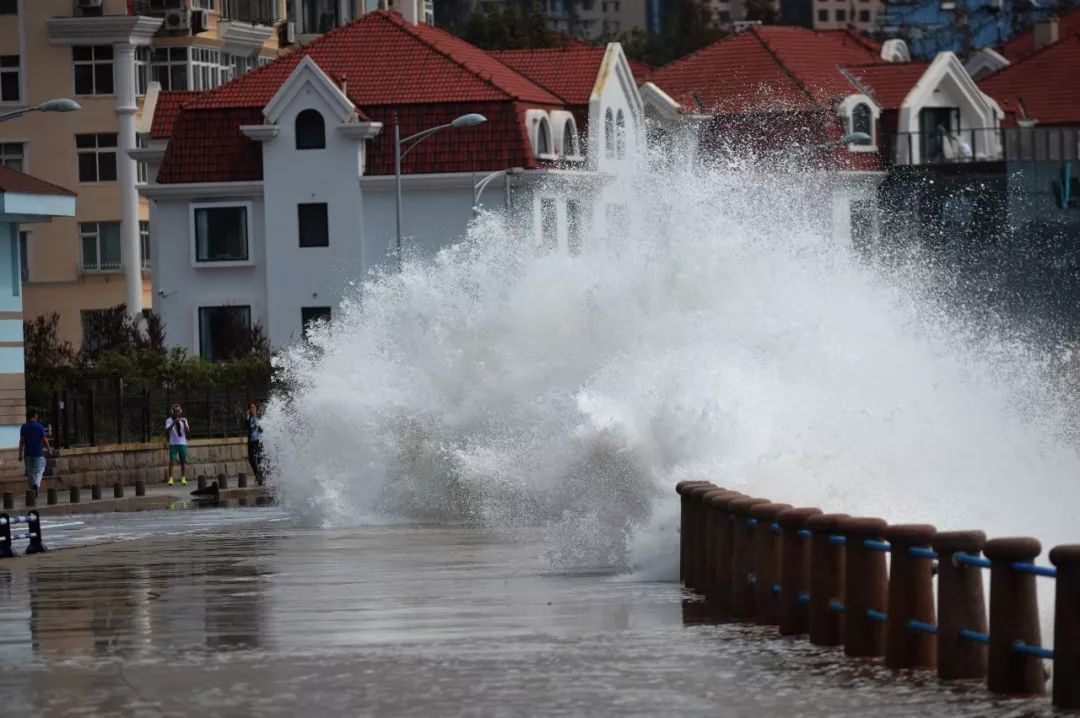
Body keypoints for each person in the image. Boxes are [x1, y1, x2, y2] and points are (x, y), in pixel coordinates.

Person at [19, 410, 51, 497]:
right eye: (36, 415)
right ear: (35, 416)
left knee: (30, 472)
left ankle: (32, 489)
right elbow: (45, 440)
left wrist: (20, 454)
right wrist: (49, 450)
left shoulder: (24, 427)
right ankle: (36, 485)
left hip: (27, 453)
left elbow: (22, 441)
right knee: (40, 470)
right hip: (38, 453)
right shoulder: (39, 426)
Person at [165, 404, 190, 486]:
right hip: (173, 443)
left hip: (182, 443)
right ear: (172, 412)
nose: (176, 413)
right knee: (172, 462)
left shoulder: (184, 420)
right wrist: (174, 423)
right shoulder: (169, 420)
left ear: (180, 412)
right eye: (175, 411)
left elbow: (188, 431)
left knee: (183, 462)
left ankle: (183, 478)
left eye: (178, 411)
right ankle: (171, 478)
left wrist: (184, 424)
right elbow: (167, 430)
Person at [247, 402, 264, 485]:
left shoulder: (258, 418)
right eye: (252, 408)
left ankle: (260, 475)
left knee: (259, 458)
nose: (254, 409)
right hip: (251, 441)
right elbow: (246, 426)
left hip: (258, 440)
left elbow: (262, 429)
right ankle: (257, 474)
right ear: (249, 410)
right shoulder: (249, 418)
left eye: (254, 407)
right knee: (251, 459)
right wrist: (247, 417)